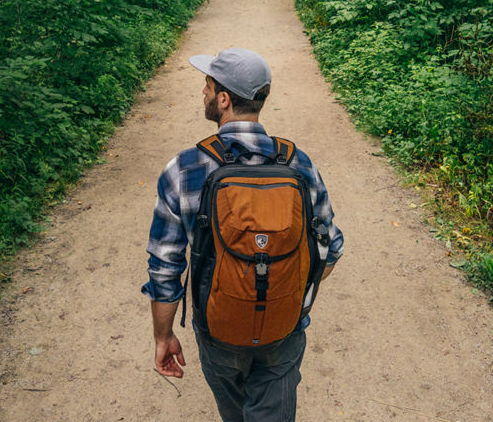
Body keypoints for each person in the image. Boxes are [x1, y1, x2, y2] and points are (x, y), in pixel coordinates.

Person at [142, 48, 344, 422]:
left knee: (235, 411)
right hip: (283, 331)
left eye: (207, 86)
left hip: (219, 332)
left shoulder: (184, 169)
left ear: (223, 100)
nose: (203, 93)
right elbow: (330, 249)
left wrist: (163, 336)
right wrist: (290, 295)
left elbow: (165, 270)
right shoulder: (298, 163)